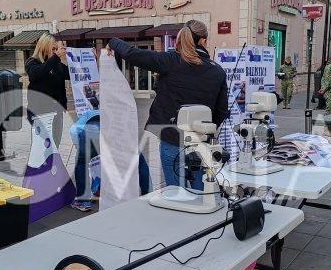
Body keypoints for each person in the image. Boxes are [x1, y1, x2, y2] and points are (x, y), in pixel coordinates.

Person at [106, 20, 228, 191]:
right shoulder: (217, 71)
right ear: (203, 41)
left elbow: (133, 54)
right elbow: (222, 111)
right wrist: (206, 129)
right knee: (203, 194)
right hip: (201, 141)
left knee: (176, 196)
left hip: (172, 138)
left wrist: (113, 41)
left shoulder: (170, 61)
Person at [69, 109, 152, 211]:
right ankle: (148, 194)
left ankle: (82, 201)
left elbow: (78, 139)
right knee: (139, 160)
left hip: (93, 131)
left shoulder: (76, 127)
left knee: (81, 163)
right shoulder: (103, 110)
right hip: (118, 129)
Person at [25, 33, 70, 146]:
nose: (55, 51)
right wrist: (55, 58)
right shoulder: (32, 62)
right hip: (39, 111)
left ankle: (53, 163)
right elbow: (37, 74)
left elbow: (71, 74)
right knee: (44, 145)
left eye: (56, 49)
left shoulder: (55, 63)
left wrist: (89, 58)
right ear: (44, 47)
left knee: (55, 143)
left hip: (56, 110)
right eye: (53, 49)